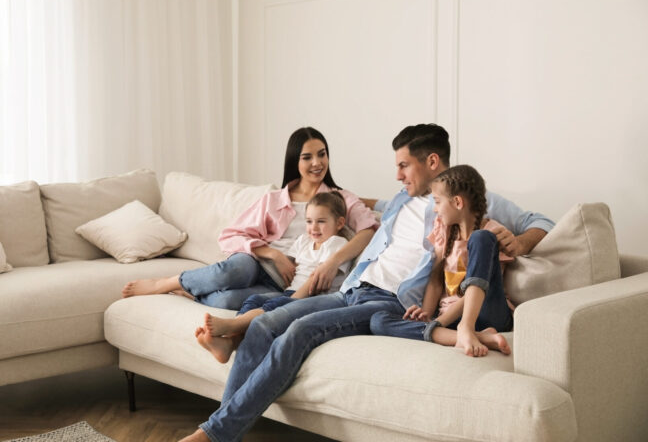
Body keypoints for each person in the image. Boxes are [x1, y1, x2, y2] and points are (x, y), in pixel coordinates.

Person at [178, 123, 555, 442]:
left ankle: (213, 434)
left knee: (298, 332)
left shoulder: (462, 196)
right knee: (263, 324)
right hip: (352, 290)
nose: (398, 175)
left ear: (433, 162)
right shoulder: (397, 200)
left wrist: (519, 242)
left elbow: (543, 221)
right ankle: (221, 431)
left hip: (388, 302)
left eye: (404, 165)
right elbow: (364, 212)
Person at [121, 127, 378, 310]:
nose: (317, 163)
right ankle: (167, 282)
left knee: (225, 302)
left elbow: (369, 230)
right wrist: (273, 254)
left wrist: (333, 262)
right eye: (307, 157)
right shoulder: (275, 199)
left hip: (286, 285)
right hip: (257, 264)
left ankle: (191, 292)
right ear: (294, 161)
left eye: (322, 154)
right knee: (237, 268)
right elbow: (230, 236)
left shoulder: (339, 199)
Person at [370, 164, 514, 356]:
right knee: (378, 320)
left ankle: (466, 329)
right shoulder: (444, 232)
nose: (435, 210)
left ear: (457, 202)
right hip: (450, 320)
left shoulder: (491, 233)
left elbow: (482, 289)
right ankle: (476, 337)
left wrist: (442, 323)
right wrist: (427, 315)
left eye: (437, 202)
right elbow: (436, 282)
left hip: (486, 311)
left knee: (482, 237)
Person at [196, 191, 353, 363]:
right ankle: (231, 341)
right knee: (255, 299)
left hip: (313, 298)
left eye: (321, 222)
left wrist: (292, 299)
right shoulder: (304, 241)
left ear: (339, 223)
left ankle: (232, 326)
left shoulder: (337, 244)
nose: (313, 228)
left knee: (274, 305)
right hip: (291, 292)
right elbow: (292, 266)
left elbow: (314, 280)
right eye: (309, 221)